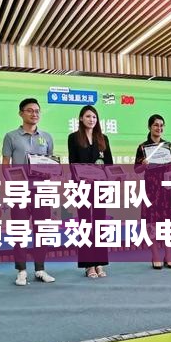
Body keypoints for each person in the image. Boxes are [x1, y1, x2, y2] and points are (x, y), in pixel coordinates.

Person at [2, 98, 55, 286]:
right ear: (21, 113)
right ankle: (21, 271)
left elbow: (50, 162)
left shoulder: (47, 137)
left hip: (42, 191)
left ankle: (40, 269)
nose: (34, 114)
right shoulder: (11, 136)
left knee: (42, 231)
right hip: (20, 191)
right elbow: (5, 164)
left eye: (37, 111)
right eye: (30, 110)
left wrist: (52, 171)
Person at [68, 105, 113, 278]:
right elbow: (73, 163)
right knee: (85, 224)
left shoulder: (103, 138)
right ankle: (88, 265)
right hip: (82, 187)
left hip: (101, 187)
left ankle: (99, 262)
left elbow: (109, 164)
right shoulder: (73, 138)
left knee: (100, 224)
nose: (91, 119)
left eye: (94, 117)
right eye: (88, 116)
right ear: (81, 118)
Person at [134, 114, 171, 269]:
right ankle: (155, 255)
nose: (159, 128)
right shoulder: (142, 147)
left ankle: (169, 255)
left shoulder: (168, 145)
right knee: (151, 222)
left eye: (161, 125)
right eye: (155, 125)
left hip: (167, 189)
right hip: (151, 189)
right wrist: (143, 165)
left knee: (169, 222)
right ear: (149, 127)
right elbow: (137, 169)